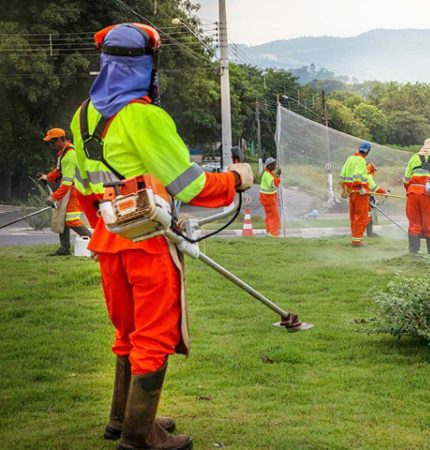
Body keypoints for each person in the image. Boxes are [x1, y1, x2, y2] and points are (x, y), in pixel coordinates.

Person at [70, 23, 253, 450]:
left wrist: (106, 226)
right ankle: (139, 436)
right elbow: (191, 186)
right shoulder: (143, 115)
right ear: (146, 66)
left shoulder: (82, 115)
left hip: (108, 239)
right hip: (147, 240)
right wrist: (237, 180)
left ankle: (123, 416)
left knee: (127, 331)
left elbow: (81, 188)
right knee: (154, 334)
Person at [38, 128, 91, 255]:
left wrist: (53, 198)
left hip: (76, 190)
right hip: (71, 189)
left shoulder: (70, 155)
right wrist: (47, 177)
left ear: (62, 139)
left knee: (72, 220)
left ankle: (97, 244)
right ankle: (64, 249)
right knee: (62, 218)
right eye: (49, 142)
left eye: (53, 142)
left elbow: (66, 183)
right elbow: (59, 170)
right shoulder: (63, 152)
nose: (51, 145)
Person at [339, 141, 373, 247]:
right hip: (360, 194)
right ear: (368, 151)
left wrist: (343, 190)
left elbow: (342, 176)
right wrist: (360, 187)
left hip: (351, 194)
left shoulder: (350, 159)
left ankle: (355, 239)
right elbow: (356, 175)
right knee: (361, 217)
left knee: (354, 217)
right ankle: (357, 242)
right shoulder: (361, 160)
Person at [260, 157, 281, 237]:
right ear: (269, 166)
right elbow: (273, 185)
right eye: (273, 164)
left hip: (267, 198)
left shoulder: (268, 174)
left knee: (269, 216)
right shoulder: (267, 175)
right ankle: (273, 233)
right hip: (268, 199)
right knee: (274, 217)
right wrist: (278, 175)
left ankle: (268, 231)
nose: (275, 166)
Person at [365, 162, 387, 237]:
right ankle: (369, 234)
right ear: (372, 171)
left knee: (365, 216)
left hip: (363, 197)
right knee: (368, 216)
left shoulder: (363, 175)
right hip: (365, 198)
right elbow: (374, 188)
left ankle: (366, 233)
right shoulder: (368, 176)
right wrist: (384, 192)